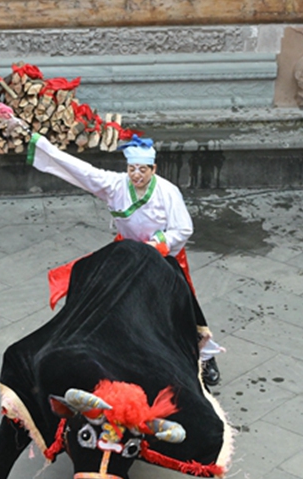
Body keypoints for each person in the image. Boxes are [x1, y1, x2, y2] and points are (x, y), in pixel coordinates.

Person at [26, 132, 222, 386]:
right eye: (132, 169)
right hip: (128, 255)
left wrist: (156, 245)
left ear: (154, 168)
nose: (136, 175)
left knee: (177, 311)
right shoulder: (116, 185)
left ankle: (205, 356)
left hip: (163, 257)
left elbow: (183, 229)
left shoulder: (167, 192)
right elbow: (82, 171)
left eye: (142, 169)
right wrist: (39, 143)